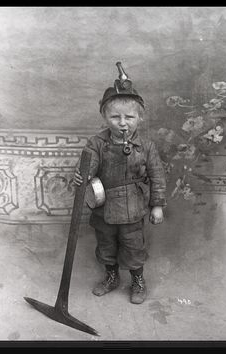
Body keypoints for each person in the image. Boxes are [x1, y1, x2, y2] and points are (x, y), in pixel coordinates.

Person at [73, 62, 167, 304]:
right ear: (104, 116)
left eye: (129, 117)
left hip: (133, 208)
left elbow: (157, 176)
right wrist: (81, 176)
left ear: (140, 117)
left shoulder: (146, 146)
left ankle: (137, 280)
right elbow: (89, 167)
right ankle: (111, 277)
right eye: (115, 117)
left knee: (133, 246)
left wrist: (157, 205)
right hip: (103, 208)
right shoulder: (96, 143)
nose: (122, 123)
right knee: (106, 246)